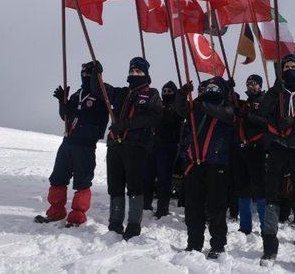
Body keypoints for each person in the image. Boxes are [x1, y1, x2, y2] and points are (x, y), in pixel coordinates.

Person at [252, 54, 295, 269]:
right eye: (286, 66)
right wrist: (273, 92)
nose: (290, 69)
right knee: (272, 195)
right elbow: (262, 111)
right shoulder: (276, 92)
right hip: (278, 147)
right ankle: (270, 249)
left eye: (293, 66)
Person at [93, 57, 163, 240]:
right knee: (115, 186)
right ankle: (115, 223)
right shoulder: (121, 92)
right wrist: (96, 74)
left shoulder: (152, 94)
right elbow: (99, 90)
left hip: (136, 146)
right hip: (115, 145)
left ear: (146, 74)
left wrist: (126, 125)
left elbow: (154, 117)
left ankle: (133, 225)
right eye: (132, 71)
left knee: (134, 187)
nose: (134, 74)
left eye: (138, 72)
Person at [35, 61, 109, 226]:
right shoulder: (78, 94)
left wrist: (74, 111)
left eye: (89, 73)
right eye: (83, 73)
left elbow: (97, 121)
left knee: (82, 181)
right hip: (68, 141)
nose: (84, 76)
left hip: (85, 145)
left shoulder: (101, 97)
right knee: (58, 177)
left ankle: (77, 217)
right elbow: (66, 116)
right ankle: (56, 212)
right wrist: (62, 102)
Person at [175, 76, 235, 259]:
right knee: (193, 206)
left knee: (216, 207)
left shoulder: (227, 105)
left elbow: (228, 115)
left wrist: (207, 105)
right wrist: (181, 94)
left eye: (216, 88)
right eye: (208, 87)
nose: (211, 91)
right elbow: (180, 110)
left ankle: (217, 245)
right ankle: (194, 243)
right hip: (195, 163)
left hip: (217, 163)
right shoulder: (196, 106)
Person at [233, 74, 267, 235]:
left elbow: (266, 122)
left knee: (259, 188)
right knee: (243, 187)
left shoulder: (265, 100)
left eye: (254, 84)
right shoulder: (245, 103)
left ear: (260, 85)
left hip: (257, 148)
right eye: (248, 84)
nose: (251, 86)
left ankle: (265, 226)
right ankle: (245, 226)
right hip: (242, 148)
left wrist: (247, 115)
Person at [143, 81, 183, 219]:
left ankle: (162, 209)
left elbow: (173, 118)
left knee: (164, 179)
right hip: (152, 145)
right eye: (164, 91)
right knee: (147, 177)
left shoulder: (177, 108)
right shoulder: (158, 105)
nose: (166, 94)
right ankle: (145, 205)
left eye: (169, 92)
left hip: (168, 147)